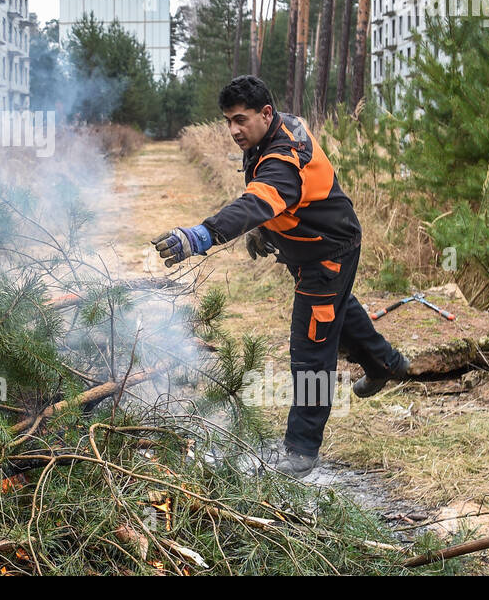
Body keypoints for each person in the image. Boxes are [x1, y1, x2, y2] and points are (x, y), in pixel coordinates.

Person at [152, 76, 409, 476]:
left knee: (311, 351)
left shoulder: (284, 155)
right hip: (314, 247)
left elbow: (261, 195)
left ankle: (301, 450)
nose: (234, 130)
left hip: (327, 251)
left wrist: (202, 235)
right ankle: (386, 363)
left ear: (266, 113)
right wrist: (266, 228)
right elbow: (275, 197)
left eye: (241, 119)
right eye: (228, 121)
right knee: (336, 313)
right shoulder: (269, 136)